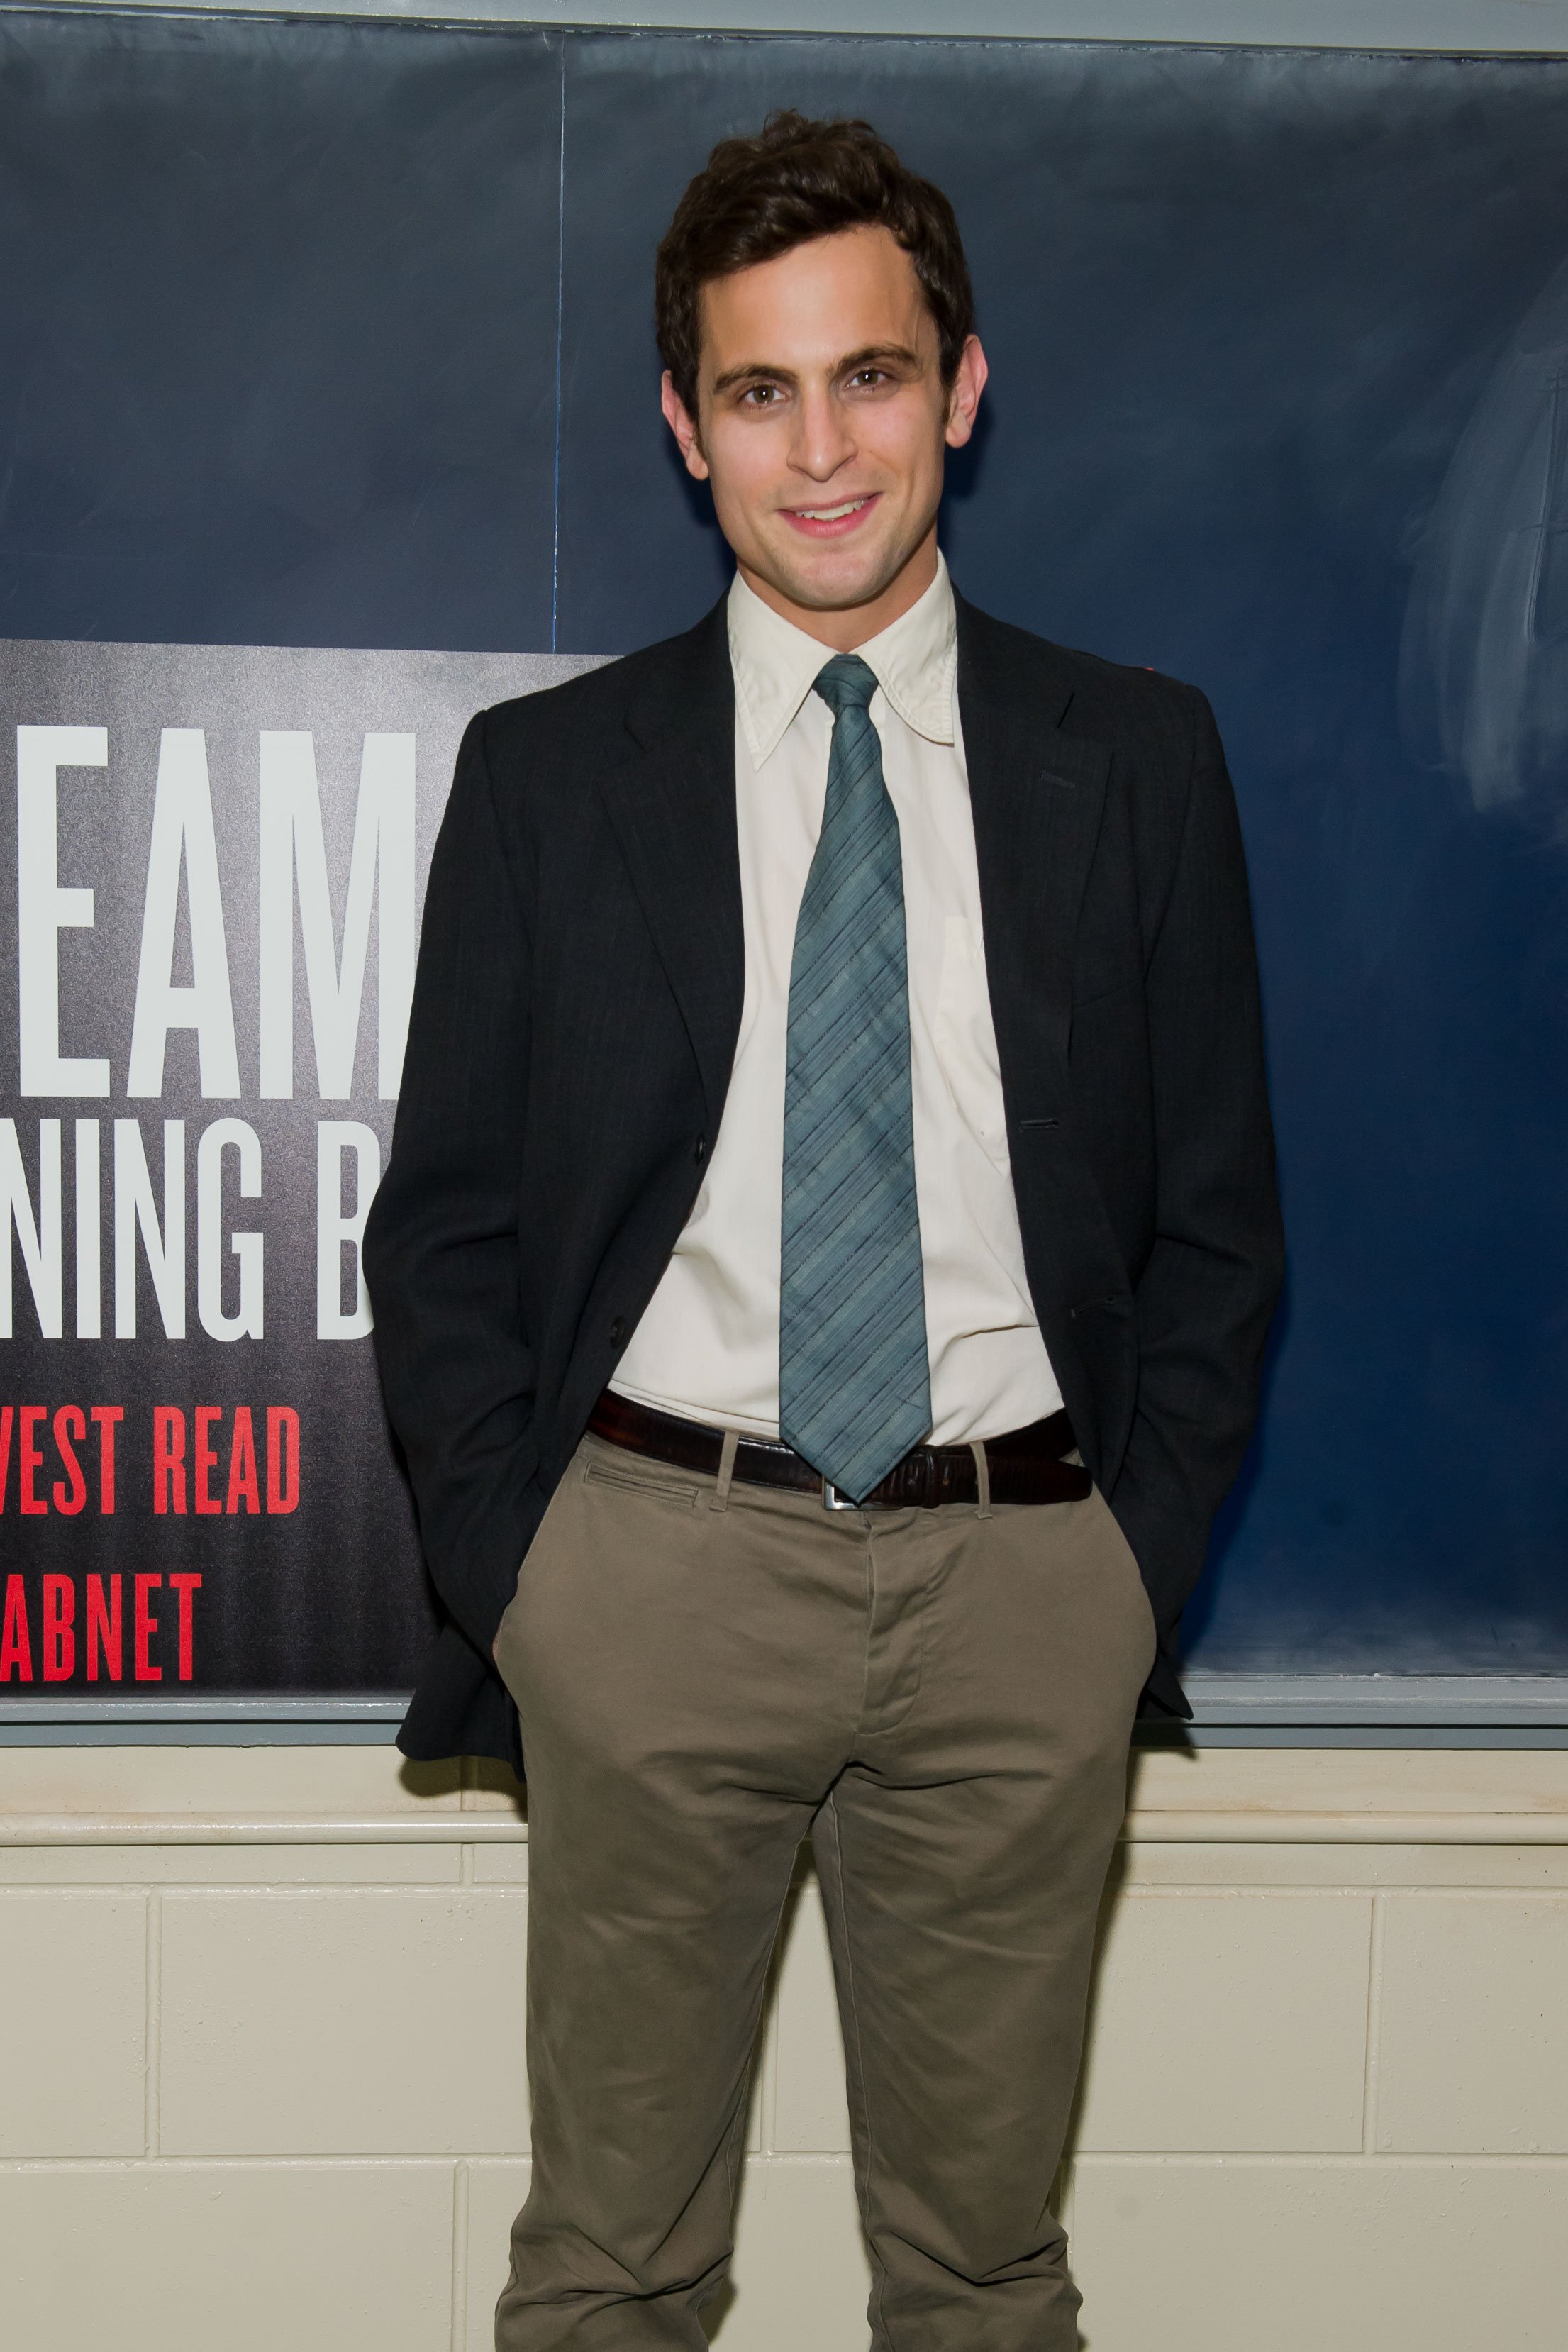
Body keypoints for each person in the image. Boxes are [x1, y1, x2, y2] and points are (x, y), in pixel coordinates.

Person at [365, 109, 1283, 2352]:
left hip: (1021, 1582)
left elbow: (1215, 1230)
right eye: (758, 392)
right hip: (651, 1573)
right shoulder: (548, 779)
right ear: (686, 431)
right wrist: (536, 1578)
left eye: (868, 374)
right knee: (609, 2276)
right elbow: (450, 1232)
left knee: (983, 2279)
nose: (822, 448)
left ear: (959, 385)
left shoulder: (1136, 757)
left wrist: (1114, 1575)